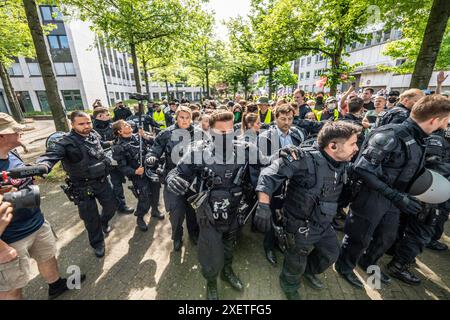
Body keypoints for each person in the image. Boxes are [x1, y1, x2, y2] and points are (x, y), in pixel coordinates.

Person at [335, 95, 450, 289]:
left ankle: (367, 262)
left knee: (386, 238)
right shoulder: (391, 135)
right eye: (446, 119)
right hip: (372, 197)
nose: (447, 123)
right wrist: (397, 197)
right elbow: (362, 169)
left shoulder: (420, 137)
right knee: (359, 237)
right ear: (434, 120)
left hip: (396, 199)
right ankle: (344, 267)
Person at [165, 110, 272, 300]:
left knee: (229, 246)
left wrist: (286, 154)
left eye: (231, 131)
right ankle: (211, 281)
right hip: (208, 214)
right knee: (210, 253)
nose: (227, 136)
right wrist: (171, 178)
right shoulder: (197, 151)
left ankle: (227, 271)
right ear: (211, 132)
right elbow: (177, 172)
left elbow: (269, 167)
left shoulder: (247, 149)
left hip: (236, 211)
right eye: (221, 133)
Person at [255, 121, 360, 299]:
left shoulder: (343, 163)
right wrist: (263, 205)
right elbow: (268, 175)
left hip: (324, 224)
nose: (356, 148)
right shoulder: (303, 159)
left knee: (331, 253)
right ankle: (289, 285)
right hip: (299, 226)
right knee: (295, 260)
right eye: (352, 144)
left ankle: (308, 271)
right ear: (333, 146)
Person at [0, 113, 85, 300]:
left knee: (47, 257)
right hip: (9, 239)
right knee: (11, 288)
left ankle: (56, 286)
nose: (20, 132)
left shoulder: (12, 153)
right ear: (1, 136)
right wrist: (1, 248)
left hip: (35, 222)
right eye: (15, 130)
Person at [386, 97, 450, 284]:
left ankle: (399, 253)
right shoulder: (435, 138)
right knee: (420, 232)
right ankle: (399, 264)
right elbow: (431, 169)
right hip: (429, 192)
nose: (447, 122)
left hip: (433, 190)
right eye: (446, 119)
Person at [37, 111, 117, 258]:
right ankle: (97, 242)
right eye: (81, 124)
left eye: (88, 122)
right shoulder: (66, 141)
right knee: (90, 218)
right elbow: (52, 154)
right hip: (82, 186)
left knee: (112, 206)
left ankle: (103, 222)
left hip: (103, 181)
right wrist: (43, 165)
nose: (86, 126)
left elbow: (99, 147)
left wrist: (112, 143)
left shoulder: (93, 134)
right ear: (72, 125)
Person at [257, 104, 306, 266]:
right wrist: (277, 155)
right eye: (283, 119)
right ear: (275, 117)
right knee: (271, 215)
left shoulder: (298, 134)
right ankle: (268, 246)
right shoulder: (265, 137)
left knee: (284, 216)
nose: (287, 122)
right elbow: (261, 161)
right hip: (273, 184)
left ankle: (280, 241)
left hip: (292, 184)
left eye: (290, 119)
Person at [146, 106, 200, 251]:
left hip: (193, 178)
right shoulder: (166, 134)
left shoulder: (199, 132)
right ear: (176, 117)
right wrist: (151, 157)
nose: (185, 120)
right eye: (182, 117)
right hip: (173, 177)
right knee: (176, 212)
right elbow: (154, 149)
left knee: (193, 210)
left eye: (187, 117)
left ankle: (194, 234)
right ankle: (177, 236)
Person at [112, 120, 163, 232]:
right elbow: (121, 167)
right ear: (120, 131)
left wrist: (144, 136)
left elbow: (156, 143)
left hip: (151, 170)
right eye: (125, 125)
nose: (129, 125)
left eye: (128, 124)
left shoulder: (139, 136)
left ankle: (155, 210)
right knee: (144, 197)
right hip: (138, 175)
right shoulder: (118, 147)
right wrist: (134, 172)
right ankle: (140, 217)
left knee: (155, 192)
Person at [92, 108, 134, 215]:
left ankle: (121, 205)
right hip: (100, 163)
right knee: (105, 189)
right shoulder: (92, 130)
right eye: (107, 114)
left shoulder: (112, 126)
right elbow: (97, 144)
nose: (110, 116)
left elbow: (121, 137)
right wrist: (110, 143)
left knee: (117, 184)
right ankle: (107, 209)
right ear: (100, 116)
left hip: (115, 160)